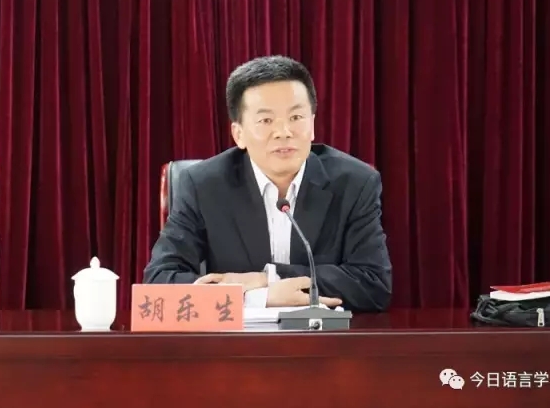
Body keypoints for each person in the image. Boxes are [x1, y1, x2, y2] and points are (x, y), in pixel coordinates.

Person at [144, 55, 392, 312]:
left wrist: (269, 278)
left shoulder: (355, 183)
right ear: (238, 134)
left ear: (312, 125)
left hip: (323, 335)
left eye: (296, 117)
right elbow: (160, 282)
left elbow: (373, 284)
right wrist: (258, 297)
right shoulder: (203, 185)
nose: (284, 132)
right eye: (266, 120)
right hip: (235, 336)